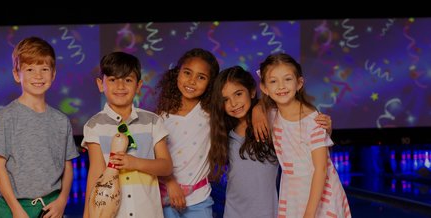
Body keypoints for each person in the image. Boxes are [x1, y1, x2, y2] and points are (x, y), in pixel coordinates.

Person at [208, 66, 333, 218]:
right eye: (225, 100)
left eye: (238, 94)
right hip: (233, 213)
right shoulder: (225, 133)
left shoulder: (271, 121)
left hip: (270, 213)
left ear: (252, 91)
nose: (233, 103)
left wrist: (326, 129)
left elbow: (305, 138)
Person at [0, 36, 79, 218]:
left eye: (44, 69)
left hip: (50, 208)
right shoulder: (7, 116)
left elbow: (67, 166)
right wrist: (16, 210)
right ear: (16, 74)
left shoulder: (61, 121)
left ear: (53, 74)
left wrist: (62, 201)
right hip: (12, 208)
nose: (38, 76)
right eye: (30, 69)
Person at [258, 53, 351, 218]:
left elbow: (321, 169)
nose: (281, 86)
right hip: (292, 192)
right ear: (264, 88)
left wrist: (309, 214)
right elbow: (257, 105)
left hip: (320, 192)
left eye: (287, 79)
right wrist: (255, 112)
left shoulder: (313, 120)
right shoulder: (271, 115)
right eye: (273, 81)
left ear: (299, 83)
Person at [82, 51, 173, 218]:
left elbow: (166, 167)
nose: (120, 86)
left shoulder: (153, 121)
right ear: (100, 84)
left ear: (138, 86)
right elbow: (96, 173)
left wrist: (134, 162)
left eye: (128, 80)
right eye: (112, 80)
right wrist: (87, 215)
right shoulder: (94, 125)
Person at [155, 48, 220, 217]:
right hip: (164, 199)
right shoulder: (161, 117)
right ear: (177, 74)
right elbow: (155, 158)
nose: (192, 81)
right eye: (187, 73)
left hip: (199, 200)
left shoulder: (211, 113)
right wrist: (170, 183)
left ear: (210, 83)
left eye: (201, 77)